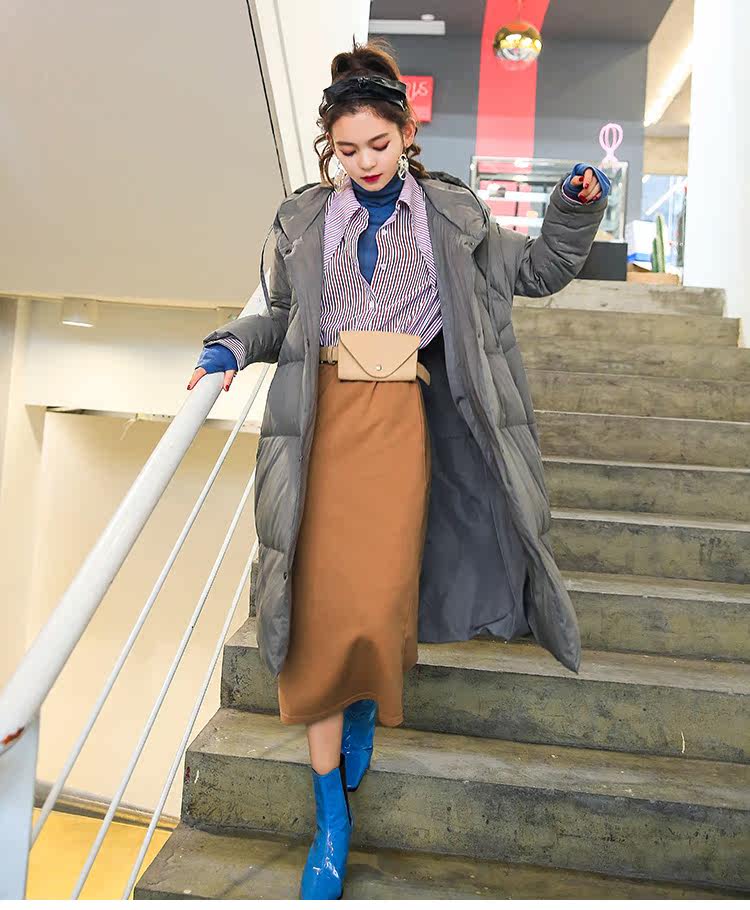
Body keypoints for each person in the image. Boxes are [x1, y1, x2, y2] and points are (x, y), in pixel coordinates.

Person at [187, 38, 609, 901]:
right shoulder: (303, 220)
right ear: (330, 149)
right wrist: (230, 346)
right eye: (347, 150)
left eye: (379, 144)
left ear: (407, 133)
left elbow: (538, 271)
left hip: (400, 429)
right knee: (313, 621)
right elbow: (281, 318)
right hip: (319, 429)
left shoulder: (452, 215)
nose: (365, 162)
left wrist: (572, 207)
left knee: (379, 599)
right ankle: (330, 819)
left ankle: (365, 701)